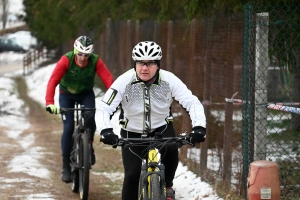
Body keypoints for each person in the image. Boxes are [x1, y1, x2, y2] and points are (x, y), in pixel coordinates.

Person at [96, 41, 206, 200]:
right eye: (140, 63)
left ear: (158, 65)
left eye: (150, 63)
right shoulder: (123, 82)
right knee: (132, 176)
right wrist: (106, 130)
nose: (144, 68)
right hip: (132, 132)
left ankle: (168, 186)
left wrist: (199, 127)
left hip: (161, 128)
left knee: (171, 147)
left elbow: (192, 102)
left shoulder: (169, 80)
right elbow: (104, 108)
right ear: (135, 63)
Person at [45, 35, 114, 183]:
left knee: (90, 116)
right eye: (80, 54)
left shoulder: (95, 61)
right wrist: (50, 102)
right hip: (66, 95)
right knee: (68, 127)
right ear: (75, 51)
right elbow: (53, 81)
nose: (83, 58)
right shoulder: (66, 60)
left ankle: (89, 144)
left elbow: (108, 80)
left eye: (86, 55)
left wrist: (114, 99)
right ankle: (65, 166)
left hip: (86, 94)